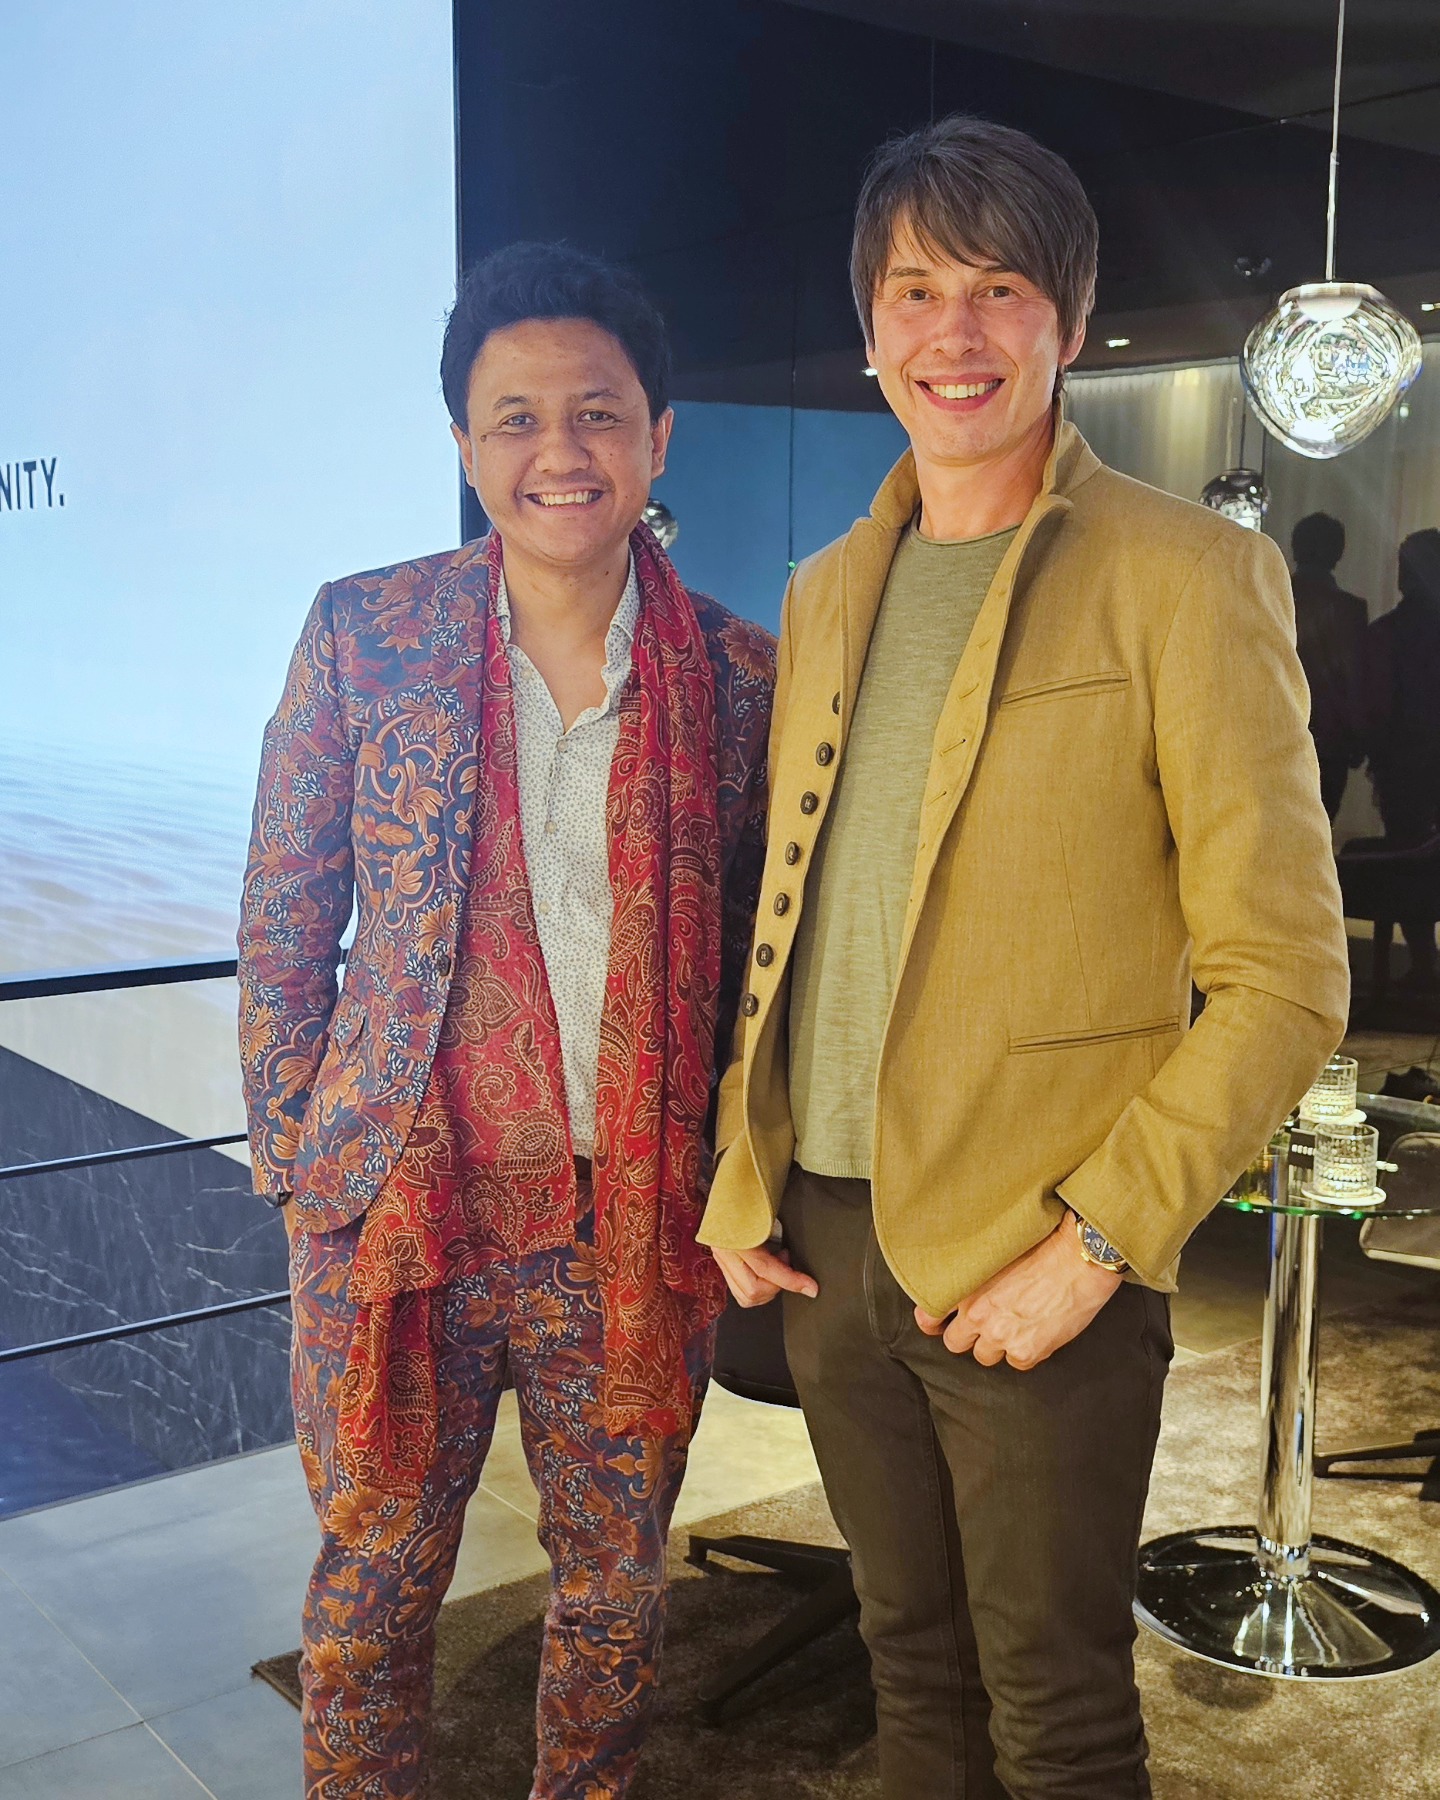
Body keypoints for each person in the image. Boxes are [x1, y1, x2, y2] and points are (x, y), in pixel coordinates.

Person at [699, 116, 1349, 1799]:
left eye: (1001, 288)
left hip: (1041, 1251)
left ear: (1071, 320)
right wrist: (743, 1166)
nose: (956, 331)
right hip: (830, 1245)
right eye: (917, 289)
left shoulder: (1189, 576)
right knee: (910, 1681)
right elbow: (802, 913)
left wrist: (1099, 1245)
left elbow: (1286, 975)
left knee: (1057, 1720)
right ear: (869, 326)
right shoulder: (827, 588)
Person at [237, 241, 774, 1799]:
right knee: (370, 1589)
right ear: (466, 446)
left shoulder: (740, 675)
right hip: (405, 1210)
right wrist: (298, 1161)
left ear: (658, 436)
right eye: (516, 418)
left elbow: (764, 960)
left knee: (614, 1590)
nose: (560, 451)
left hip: (629, 1219)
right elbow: (285, 915)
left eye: (597, 412)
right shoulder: (366, 634)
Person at [1366, 527, 1440, 991]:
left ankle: (1422, 960)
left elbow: (1377, 706)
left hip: (1402, 763)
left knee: (1405, 859)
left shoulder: (1386, 632)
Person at [1289, 511, 1369, 819]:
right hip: (1333, 738)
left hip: (1279, 727)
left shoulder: (1275, 595)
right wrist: (1357, 737)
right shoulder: (1350, 610)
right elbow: (1355, 679)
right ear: (1338, 553)